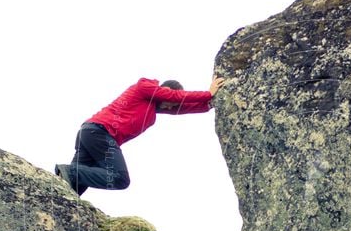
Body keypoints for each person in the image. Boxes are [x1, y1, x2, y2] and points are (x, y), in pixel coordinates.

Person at [55, 76, 225, 196]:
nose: (169, 107)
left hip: (91, 134)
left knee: (72, 188)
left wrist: (209, 104)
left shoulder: (151, 109)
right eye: (170, 102)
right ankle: (70, 171)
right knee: (119, 178)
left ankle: (56, 198)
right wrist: (207, 93)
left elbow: (181, 107)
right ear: (165, 90)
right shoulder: (145, 86)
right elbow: (175, 97)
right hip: (99, 133)